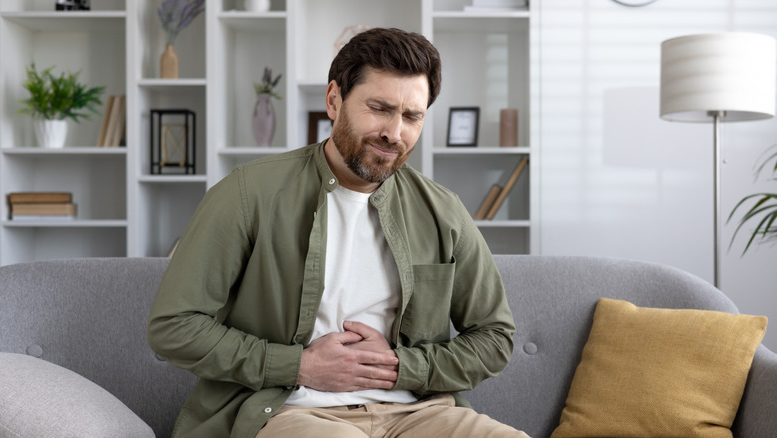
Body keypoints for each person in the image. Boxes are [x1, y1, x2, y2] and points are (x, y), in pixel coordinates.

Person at [147, 27, 528, 438]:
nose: (394, 133)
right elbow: (174, 326)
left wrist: (404, 368)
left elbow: (495, 337)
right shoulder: (247, 193)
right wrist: (298, 365)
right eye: (380, 108)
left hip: (419, 413)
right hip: (289, 411)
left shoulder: (443, 210)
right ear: (334, 100)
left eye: (412, 116)